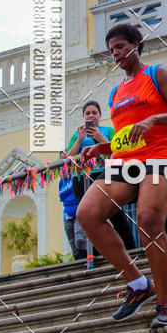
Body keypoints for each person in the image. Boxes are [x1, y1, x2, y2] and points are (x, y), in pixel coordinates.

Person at [76, 23, 167, 331]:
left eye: (119, 46)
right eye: (111, 49)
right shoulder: (116, 92)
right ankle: (139, 283)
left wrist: (154, 118)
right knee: (87, 213)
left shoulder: (157, 74)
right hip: (125, 161)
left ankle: (166, 304)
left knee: (148, 219)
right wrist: (102, 146)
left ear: (136, 44)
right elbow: (125, 136)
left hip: (161, 156)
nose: (115, 53)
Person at [65, 101, 136, 256]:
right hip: (81, 177)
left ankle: (131, 248)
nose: (91, 115)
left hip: (105, 174)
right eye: (88, 113)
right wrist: (79, 139)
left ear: (100, 115)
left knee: (115, 211)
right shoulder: (77, 135)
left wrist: (99, 136)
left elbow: (117, 150)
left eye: (94, 113)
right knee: (89, 215)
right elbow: (68, 158)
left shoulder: (108, 130)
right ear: (83, 116)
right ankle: (97, 252)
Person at [59, 174, 87, 261]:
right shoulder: (62, 181)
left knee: (79, 238)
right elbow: (62, 198)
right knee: (72, 243)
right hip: (67, 214)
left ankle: (84, 258)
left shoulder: (77, 175)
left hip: (79, 210)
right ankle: (77, 260)